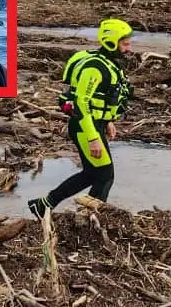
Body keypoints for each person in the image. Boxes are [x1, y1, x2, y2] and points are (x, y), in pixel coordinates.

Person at [27, 18, 134, 217]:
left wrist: (108, 121)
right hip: (85, 126)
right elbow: (82, 103)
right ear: (112, 42)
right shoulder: (94, 68)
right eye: (125, 44)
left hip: (95, 124)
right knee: (104, 176)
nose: (129, 49)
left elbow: (102, 97)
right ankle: (89, 217)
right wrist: (93, 137)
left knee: (93, 173)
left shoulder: (109, 64)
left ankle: (44, 205)